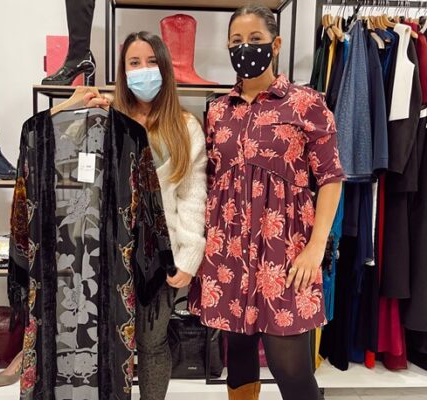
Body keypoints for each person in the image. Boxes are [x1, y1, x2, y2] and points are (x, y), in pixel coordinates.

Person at [188, 5, 344, 400]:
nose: (245, 48)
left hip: (286, 252)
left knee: (290, 367)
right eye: (236, 41)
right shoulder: (218, 110)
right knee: (238, 354)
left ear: (275, 44)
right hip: (228, 251)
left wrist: (316, 247)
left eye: (255, 39)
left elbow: (330, 178)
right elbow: (210, 181)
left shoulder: (306, 103)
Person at [85, 31, 207, 400]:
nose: (144, 70)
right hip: (110, 253)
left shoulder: (185, 126)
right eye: (134, 63)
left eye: (152, 62)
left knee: (152, 342)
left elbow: (193, 196)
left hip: (160, 256)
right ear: (123, 71)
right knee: (109, 340)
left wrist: (189, 256)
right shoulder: (107, 122)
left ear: (165, 67)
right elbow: (85, 185)